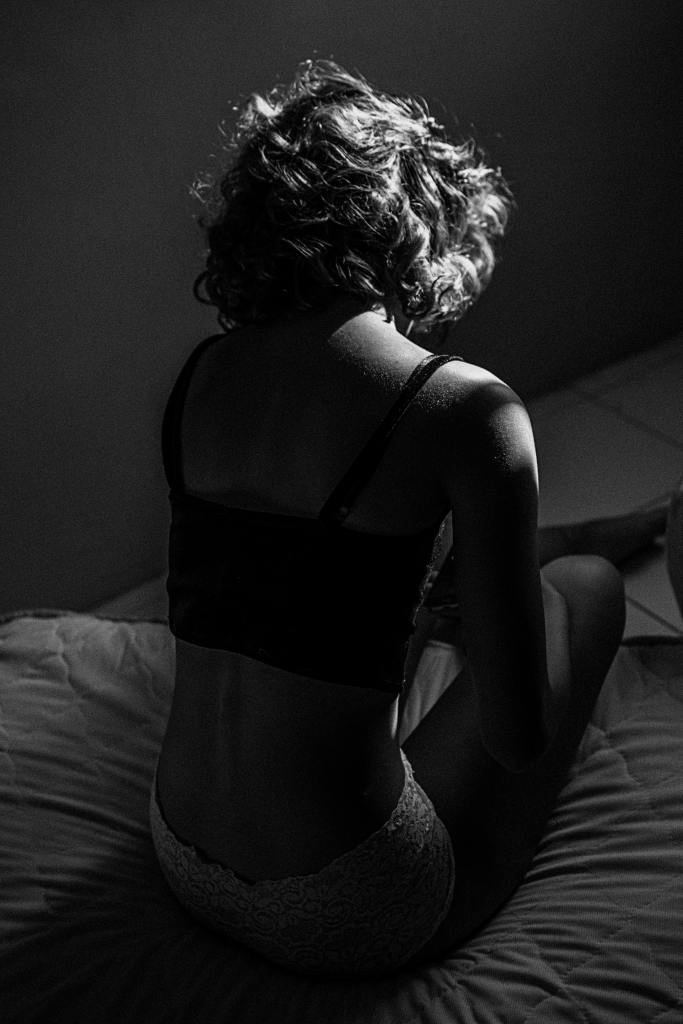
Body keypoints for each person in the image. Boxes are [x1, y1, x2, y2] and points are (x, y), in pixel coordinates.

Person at [149, 60, 668, 978]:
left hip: (180, 854)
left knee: (409, 574)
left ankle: (574, 541)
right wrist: (501, 627)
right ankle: (578, 552)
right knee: (584, 590)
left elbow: (280, 593)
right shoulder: (463, 407)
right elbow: (517, 739)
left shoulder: (203, 376)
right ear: (416, 226)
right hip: (346, 902)